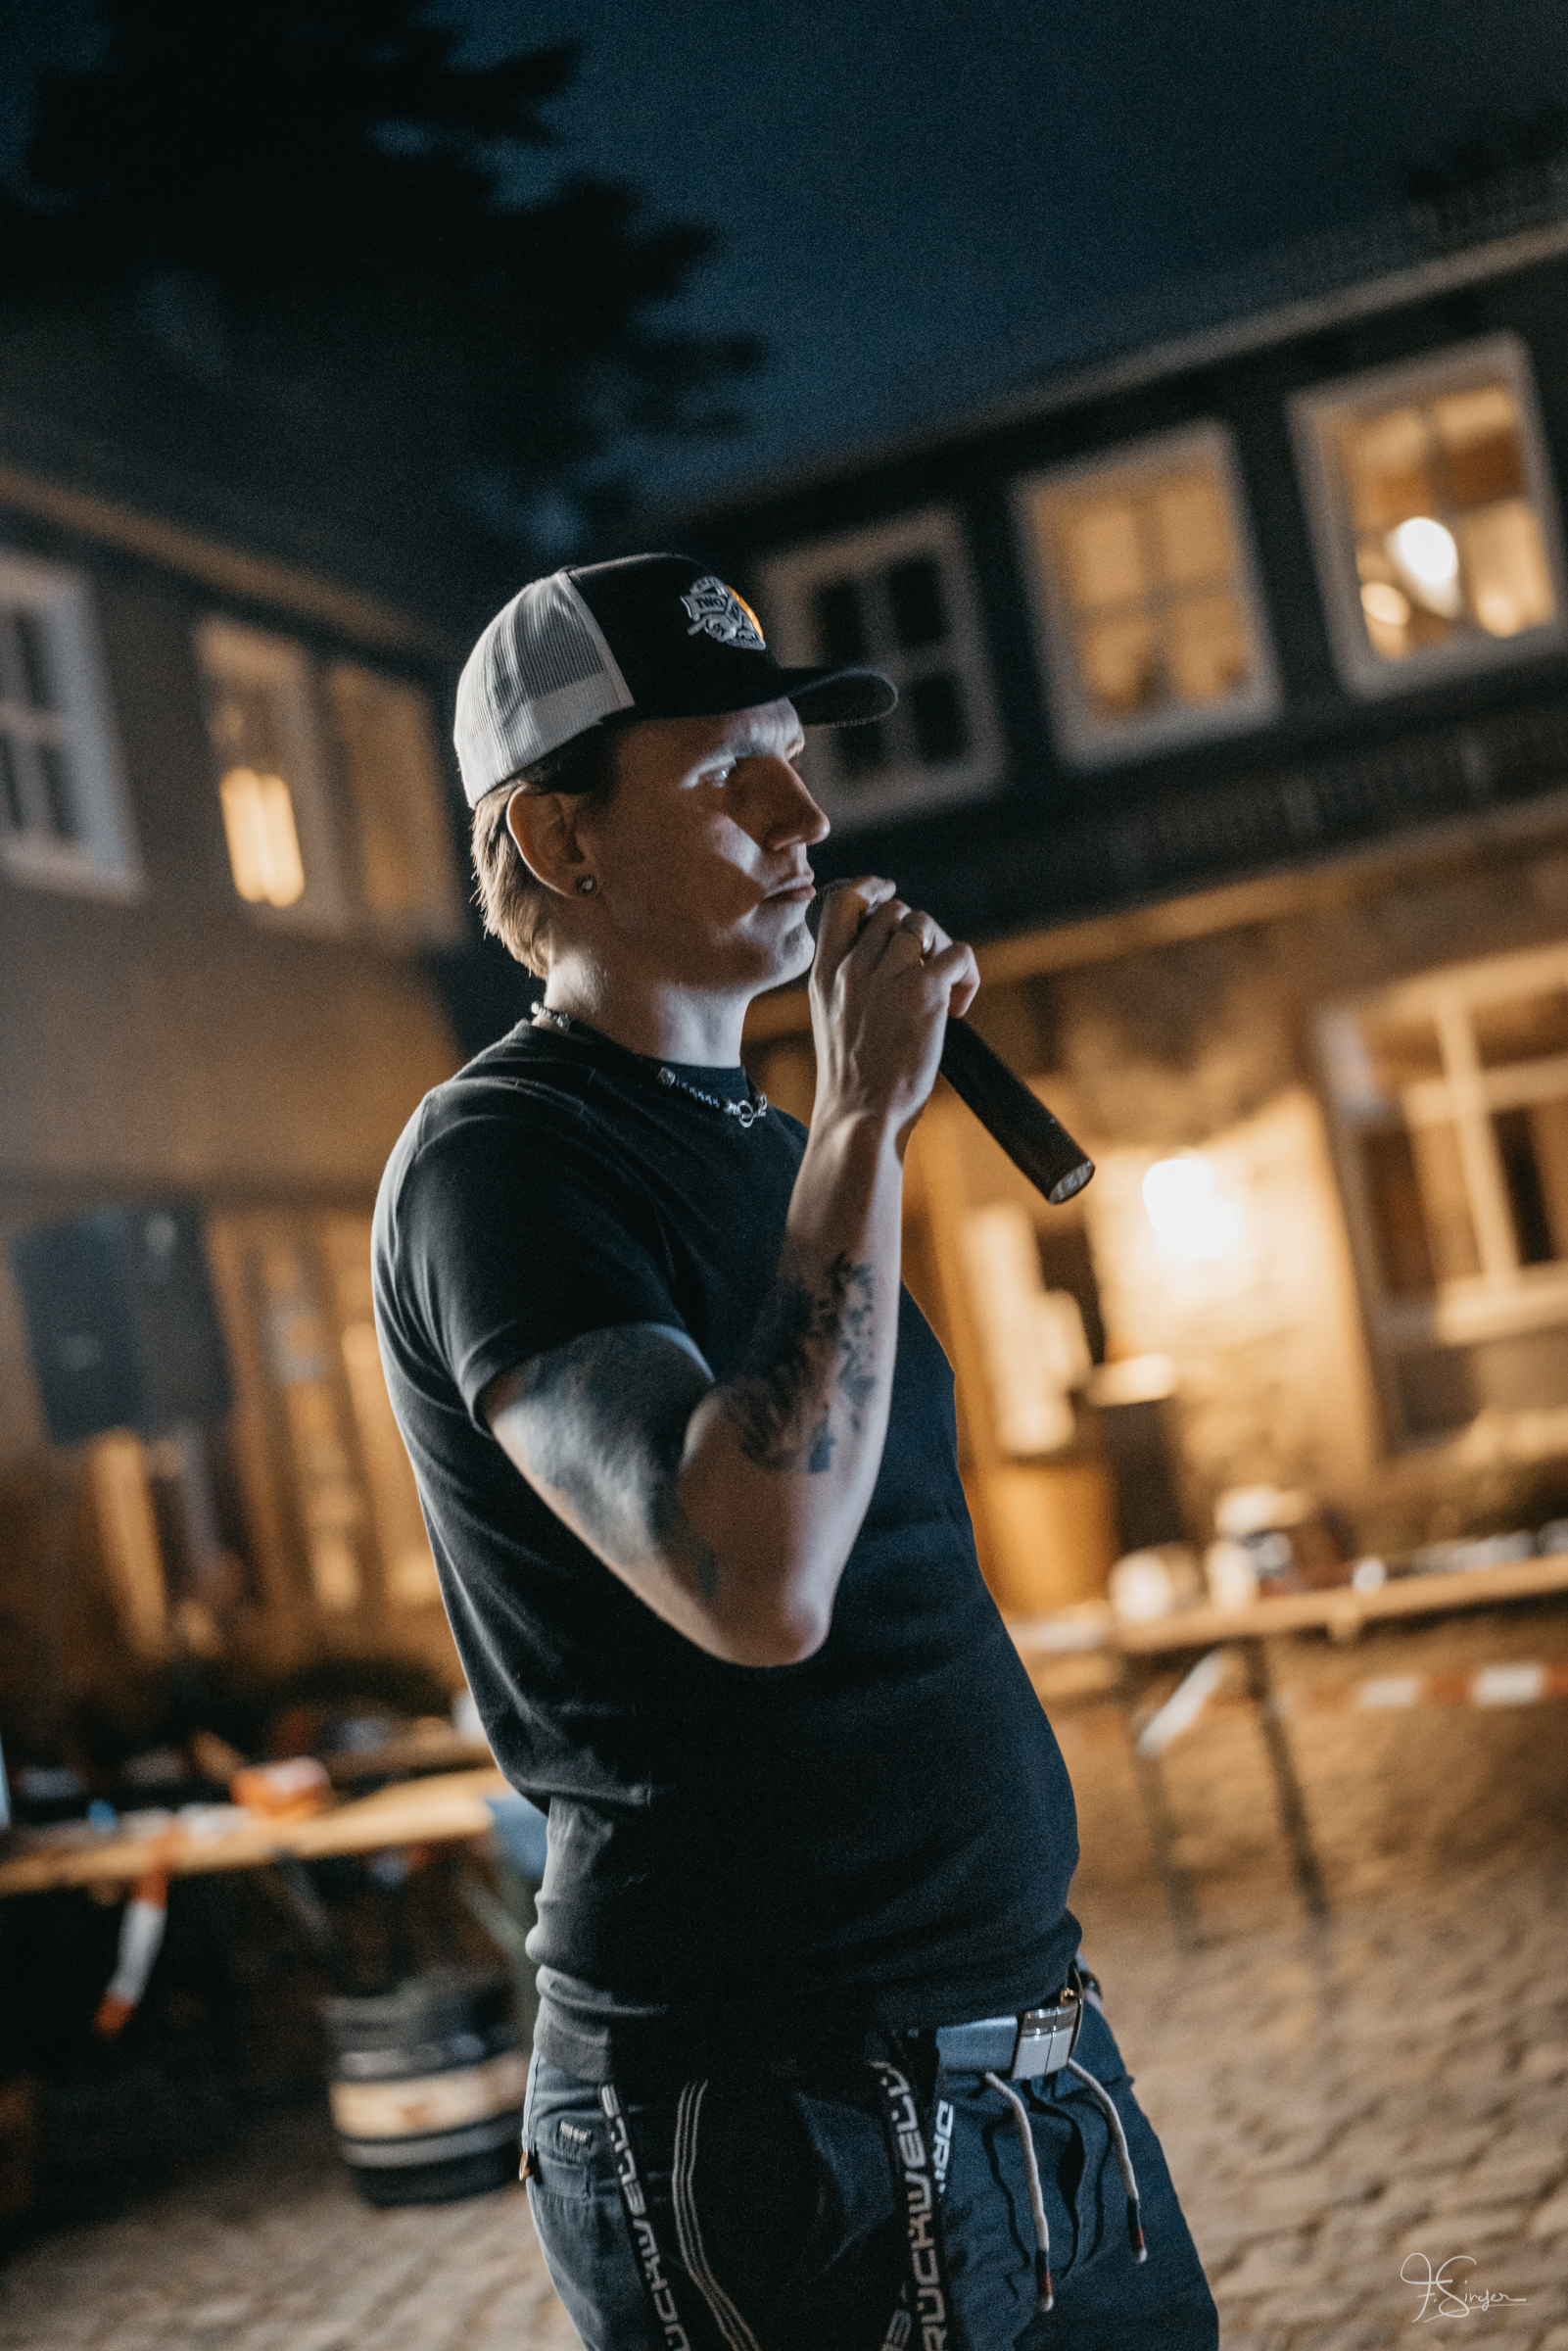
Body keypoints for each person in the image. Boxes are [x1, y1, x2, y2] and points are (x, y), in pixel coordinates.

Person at [372, 552, 1217, 2349]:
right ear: (559, 838)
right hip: (774, 2111)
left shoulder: (767, 1145)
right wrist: (859, 1118)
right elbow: (750, 1579)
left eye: (795, 759)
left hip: (1024, 2055)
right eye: (724, 774)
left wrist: (836, 1132)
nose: (800, 817)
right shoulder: (500, 1166)